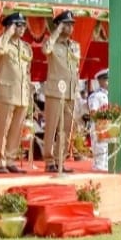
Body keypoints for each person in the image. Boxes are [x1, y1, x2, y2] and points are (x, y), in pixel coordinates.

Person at [0, 12, 33, 174]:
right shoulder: (3, 43)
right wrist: (8, 32)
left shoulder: (25, 47)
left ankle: (10, 159)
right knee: (3, 128)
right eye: (18, 25)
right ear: (10, 26)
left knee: (16, 129)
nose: (22, 28)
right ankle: (0, 161)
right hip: (6, 93)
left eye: (23, 25)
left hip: (22, 93)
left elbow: (27, 71)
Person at [42, 10, 81, 173]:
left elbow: (75, 65)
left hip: (71, 91)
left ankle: (60, 160)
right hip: (55, 90)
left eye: (71, 24)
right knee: (51, 127)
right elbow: (45, 50)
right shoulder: (51, 43)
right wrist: (56, 31)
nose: (70, 27)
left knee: (66, 128)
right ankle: (49, 160)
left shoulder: (74, 46)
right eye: (67, 24)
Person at [87, 69, 111, 171]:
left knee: (107, 150)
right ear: (100, 81)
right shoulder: (96, 95)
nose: (109, 82)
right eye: (106, 80)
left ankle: (103, 166)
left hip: (108, 126)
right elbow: (93, 112)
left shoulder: (109, 95)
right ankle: (98, 168)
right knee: (100, 149)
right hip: (99, 126)